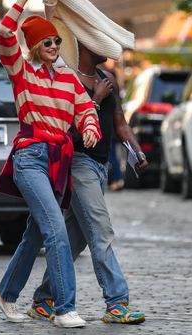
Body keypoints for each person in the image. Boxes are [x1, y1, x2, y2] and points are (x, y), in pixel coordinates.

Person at [0, 0, 101, 329]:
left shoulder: (68, 77)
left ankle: (6, 294)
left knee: (35, 235)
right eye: (48, 42)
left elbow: (86, 110)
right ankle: (64, 307)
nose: (54, 46)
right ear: (36, 47)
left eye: (56, 41)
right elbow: (6, 34)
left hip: (58, 161)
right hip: (30, 158)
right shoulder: (21, 72)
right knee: (56, 229)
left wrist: (89, 128)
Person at [27, 41, 149, 325]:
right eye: (100, 41)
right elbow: (68, 133)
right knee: (100, 231)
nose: (109, 47)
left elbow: (120, 123)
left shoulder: (108, 79)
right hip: (78, 164)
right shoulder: (67, 78)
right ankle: (117, 303)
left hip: (100, 166)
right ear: (85, 46)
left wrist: (136, 149)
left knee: (74, 238)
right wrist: (94, 99)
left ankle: (43, 299)